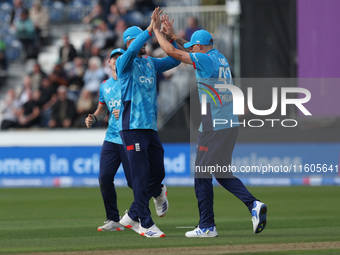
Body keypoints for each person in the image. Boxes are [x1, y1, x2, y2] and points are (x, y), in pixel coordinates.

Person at [152, 12, 267, 237]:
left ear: (201, 47)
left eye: (194, 47)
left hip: (213, 125)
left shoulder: (203, 58)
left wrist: (156, 31)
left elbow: (172, 52)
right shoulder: (219, 57)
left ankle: (207, 225)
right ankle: (253, 205)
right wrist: (175, 36)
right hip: (229, 123)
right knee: (221, 172)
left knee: (201, 174)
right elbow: (189, 49)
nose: (191, 50)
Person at [85, 48, 169, 232]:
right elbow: (102, 110)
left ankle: (155, 193)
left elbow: (138, 103)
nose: (116, 60)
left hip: (128, 136)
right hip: (111, 139)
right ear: (108, 63)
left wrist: (122, 111)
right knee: (104, 178)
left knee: (135, 182)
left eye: (119, 57)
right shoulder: (105, 86)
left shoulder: (130, 79)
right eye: (113, 58)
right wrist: (94, 118)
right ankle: (113, 219)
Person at [116, 8, 180, 238]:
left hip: (150, 128)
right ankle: (144, 223)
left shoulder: (151, 63)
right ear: (129, 42)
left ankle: (139, 208)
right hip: (132, 128)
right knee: (140, 176)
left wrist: (170, 37)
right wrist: (149, 29)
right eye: (138, 41)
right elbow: (133, 50)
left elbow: (177, 59)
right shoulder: (124, 63)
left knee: (158, 171)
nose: (143, 44)